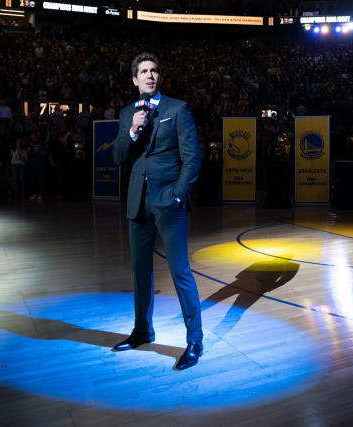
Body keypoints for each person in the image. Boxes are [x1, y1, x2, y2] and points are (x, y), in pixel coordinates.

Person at [112, 52, 203, 370]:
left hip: (169, 202)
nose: (150, 75)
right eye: (143, 71)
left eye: (154, 70)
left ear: (158, 77)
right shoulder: (127, 113)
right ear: (135, 80)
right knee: (141, 272)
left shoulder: (177, 109)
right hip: (138, 202)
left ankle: (194, 341)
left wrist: (179, 195)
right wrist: (133, 131)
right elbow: (118, 157)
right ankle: (141, 331)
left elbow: (193, 158)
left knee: (180, 272)